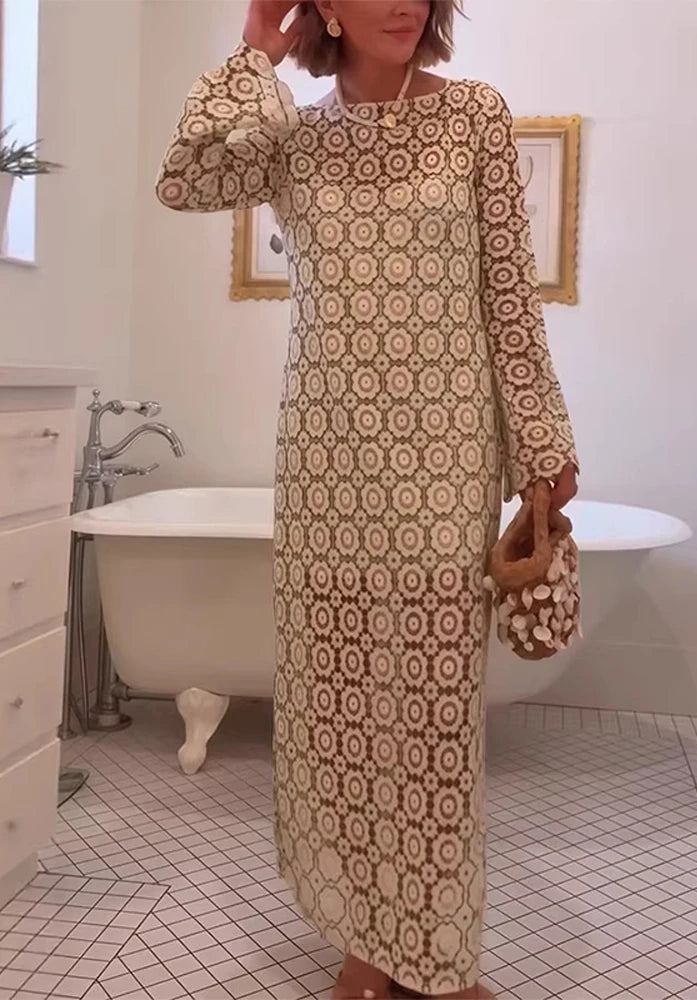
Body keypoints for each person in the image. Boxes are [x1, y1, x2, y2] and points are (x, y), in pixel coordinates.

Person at [156, 2, 579, 998]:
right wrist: (255, 50)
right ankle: (365, 942)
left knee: (430, 726)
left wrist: (543, 445)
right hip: (326, 464)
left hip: (445, 463)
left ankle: (437, 957)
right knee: (330, 714)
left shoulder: (474, 115)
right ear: (325, 8)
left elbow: (509, 298)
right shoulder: (294, 137)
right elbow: (185, 178)